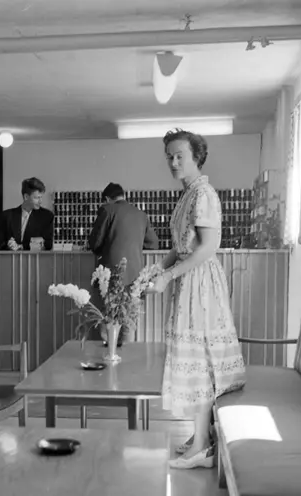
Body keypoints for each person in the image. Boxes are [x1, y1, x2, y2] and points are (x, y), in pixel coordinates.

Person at [146, 129, 246, 470]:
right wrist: (157, 269)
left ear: (196, 157)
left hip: (200, 284)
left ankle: (202, 447)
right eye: (169, 157)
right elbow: (181, 246)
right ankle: (200, 435)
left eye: (180, 156)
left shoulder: (203, 193)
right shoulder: (189, 193)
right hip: (189, 281)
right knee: (193, 356)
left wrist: (169, 275)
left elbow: (207, 248)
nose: (173, 162)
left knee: (200, 359)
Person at [88, 182, 159, 343]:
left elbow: (94, 243)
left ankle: (108, 354)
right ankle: (127, 356)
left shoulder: (107, 210)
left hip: (111, 276)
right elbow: (153, 243)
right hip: (135, 278)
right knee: (129, 322)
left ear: (107, 199)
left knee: (109, 321)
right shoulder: (141, 215)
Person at [0, 177, 54, 251]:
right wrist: (9, 244)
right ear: (26, 197)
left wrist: (21, 247)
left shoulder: (47, 216)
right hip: (10, 257)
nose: (40, 201)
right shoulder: (7, 216)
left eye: (41, 197)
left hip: (35, 258)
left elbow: (48, 244)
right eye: (37, 198)